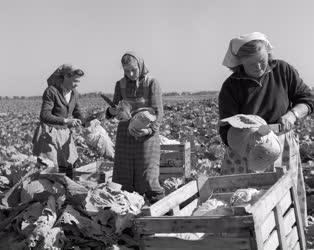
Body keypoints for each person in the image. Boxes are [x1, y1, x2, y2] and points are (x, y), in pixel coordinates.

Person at [218, 32, 314, 225]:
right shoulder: (231, 87)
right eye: (252, 64)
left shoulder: (283, 71)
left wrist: (292, 114)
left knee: (285, 198)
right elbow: (226, 130)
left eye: (262, 61)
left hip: (282, 145)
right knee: (251, 200)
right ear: (239, 63)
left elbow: (307, 99)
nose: (259, 67)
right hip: (247, 149)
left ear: (268, 54)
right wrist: (248, 140)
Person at [106, 52, 165, 204]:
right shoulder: (120, 85)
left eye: (134, 70)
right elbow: (114, 110)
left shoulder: (152, 83)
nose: (130, 74)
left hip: (147, 137)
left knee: (148, 177)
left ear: (141, 65)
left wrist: (149, 130)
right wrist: (112, 112)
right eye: (126, 71)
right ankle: (127, 213)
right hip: (125, 136)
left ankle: (158, 212)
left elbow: (158, 113)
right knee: (123, 176)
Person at [32, 64, 87, 179]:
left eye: (78, 82)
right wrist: (66, 120)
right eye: (74, 81)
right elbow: (44, 115)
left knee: (68, 167)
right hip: (49, 133)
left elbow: (77, 113)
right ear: (66, 77)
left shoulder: (74, 93)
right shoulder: (51, 91)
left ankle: (65, 193)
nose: (76, 84)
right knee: (50, 169)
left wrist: (87, 122)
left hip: (64, 133)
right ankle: (47, 194)